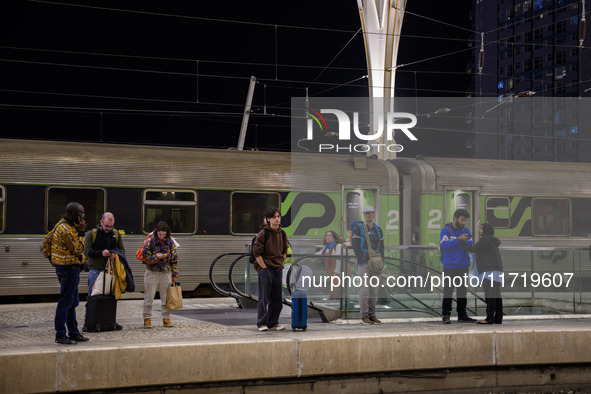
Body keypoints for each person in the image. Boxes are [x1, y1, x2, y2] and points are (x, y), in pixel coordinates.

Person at [50, 202, 89, 344]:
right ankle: (60, 335)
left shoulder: (60, 225)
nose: (82, 219)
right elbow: (78, 248)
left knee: (71, 302)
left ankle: (73, 332)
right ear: (73, 215)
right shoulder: (67, 229)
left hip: (67, 268)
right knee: (66, 302)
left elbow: (46, 243)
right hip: (68, 268)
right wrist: (81, 232)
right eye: (81, 216)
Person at [83, 212, 125, 331]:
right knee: (94, 296)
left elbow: (122, 251)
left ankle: (108, 321)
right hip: (95, 269)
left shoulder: (116, 234)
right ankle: (89, 322)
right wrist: (101, 253)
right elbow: (87, 252)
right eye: (106, 226)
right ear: (101, 222)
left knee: (110, 296)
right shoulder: (92, 234)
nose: (108, 229)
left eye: (111, 226)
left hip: (111, 269)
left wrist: (114, 255)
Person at [253, 207, 289, 332]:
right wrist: (264, 267)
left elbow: (284, 250)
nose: (277, 219)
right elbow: (256, 252)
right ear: (268, 219)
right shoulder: (264, 233)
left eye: (278, 216)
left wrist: (281, 264)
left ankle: (273, 322)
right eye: (274, 217)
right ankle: (262, 323)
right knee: (264, 298)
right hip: (266, 269)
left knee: (277, 298)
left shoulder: (282, 233)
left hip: (277, 269)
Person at [461, 223, 504, 324]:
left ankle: (489, 319)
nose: (479, 230)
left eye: (481, 228)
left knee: (490, 296)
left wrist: (461, 242)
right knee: (496, 296)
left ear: (486, 230)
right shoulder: (492, 241)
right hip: (496, 271)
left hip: (489, 272)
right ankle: (498, 318)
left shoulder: (485, 239)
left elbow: (472, 249)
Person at [440, 208, 476, 324]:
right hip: (449, 266)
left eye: (465, 220)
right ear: (455, 219)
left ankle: (462, 314)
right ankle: (446, 315)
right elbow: (445, 246)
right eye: (461, 220)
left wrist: (458, 243)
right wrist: (459, 240)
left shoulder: (466, 230)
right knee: (448, 291)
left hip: (463, 266)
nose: (463, 223)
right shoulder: (445, 230)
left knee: (462, 291)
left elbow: (470, 246)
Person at [141, 221, 179, 329]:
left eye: (163, 234)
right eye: (160, 234)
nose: (161, 236)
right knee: (149, 297)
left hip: (166, 272)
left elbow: (174, 258)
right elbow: (145, 258)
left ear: (167, 233)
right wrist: (156, 257)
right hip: (152, 272)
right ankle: (147, 319)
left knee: (166, 298)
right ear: (156, 232)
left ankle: (166, 318)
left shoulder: (170, 241)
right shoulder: (150, 241)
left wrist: (175, 273)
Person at [351, 206, 384, 325]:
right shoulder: (358, 228)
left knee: (374, 291)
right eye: (366, 213)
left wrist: (382, 262)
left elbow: (382, 247)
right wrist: (360, 261)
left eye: (370, 213)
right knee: (364, 290)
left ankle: (372, 314)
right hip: (364, 263)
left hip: (375, 265)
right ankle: (364, 315)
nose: (368, 215)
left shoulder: (378, 230)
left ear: (374, 214)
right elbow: (355, 245)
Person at [315, 231, 345, 299]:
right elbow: (320, 253)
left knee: (336, 288)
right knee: (334, 288)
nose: (327, 237)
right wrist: (310, 256)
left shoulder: (338, 246)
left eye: (330, 236)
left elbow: (339, 259)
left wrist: (336, 272)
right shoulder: (326, 247)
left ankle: (335, 301)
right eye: (326, 236)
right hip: (331, 272)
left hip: (339, 271)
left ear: (334, 238)